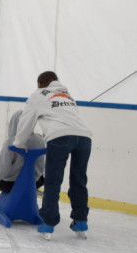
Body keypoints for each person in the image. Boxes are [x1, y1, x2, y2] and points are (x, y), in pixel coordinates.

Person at [13, 71, 93, 240]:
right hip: (84, 137)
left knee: (53, 181)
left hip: (60, 137)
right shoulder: (67, 95)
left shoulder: (38, 95)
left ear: (40, 84)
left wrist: (19, 143)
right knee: (79, 180)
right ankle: (80, 221)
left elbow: (26, 120)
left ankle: (48, 224)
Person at [0, 111, 46, 193]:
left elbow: (1, 170)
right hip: (33, 183)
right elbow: (41, 167)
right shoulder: (40, 140)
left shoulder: (12, 142)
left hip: (12, 185)